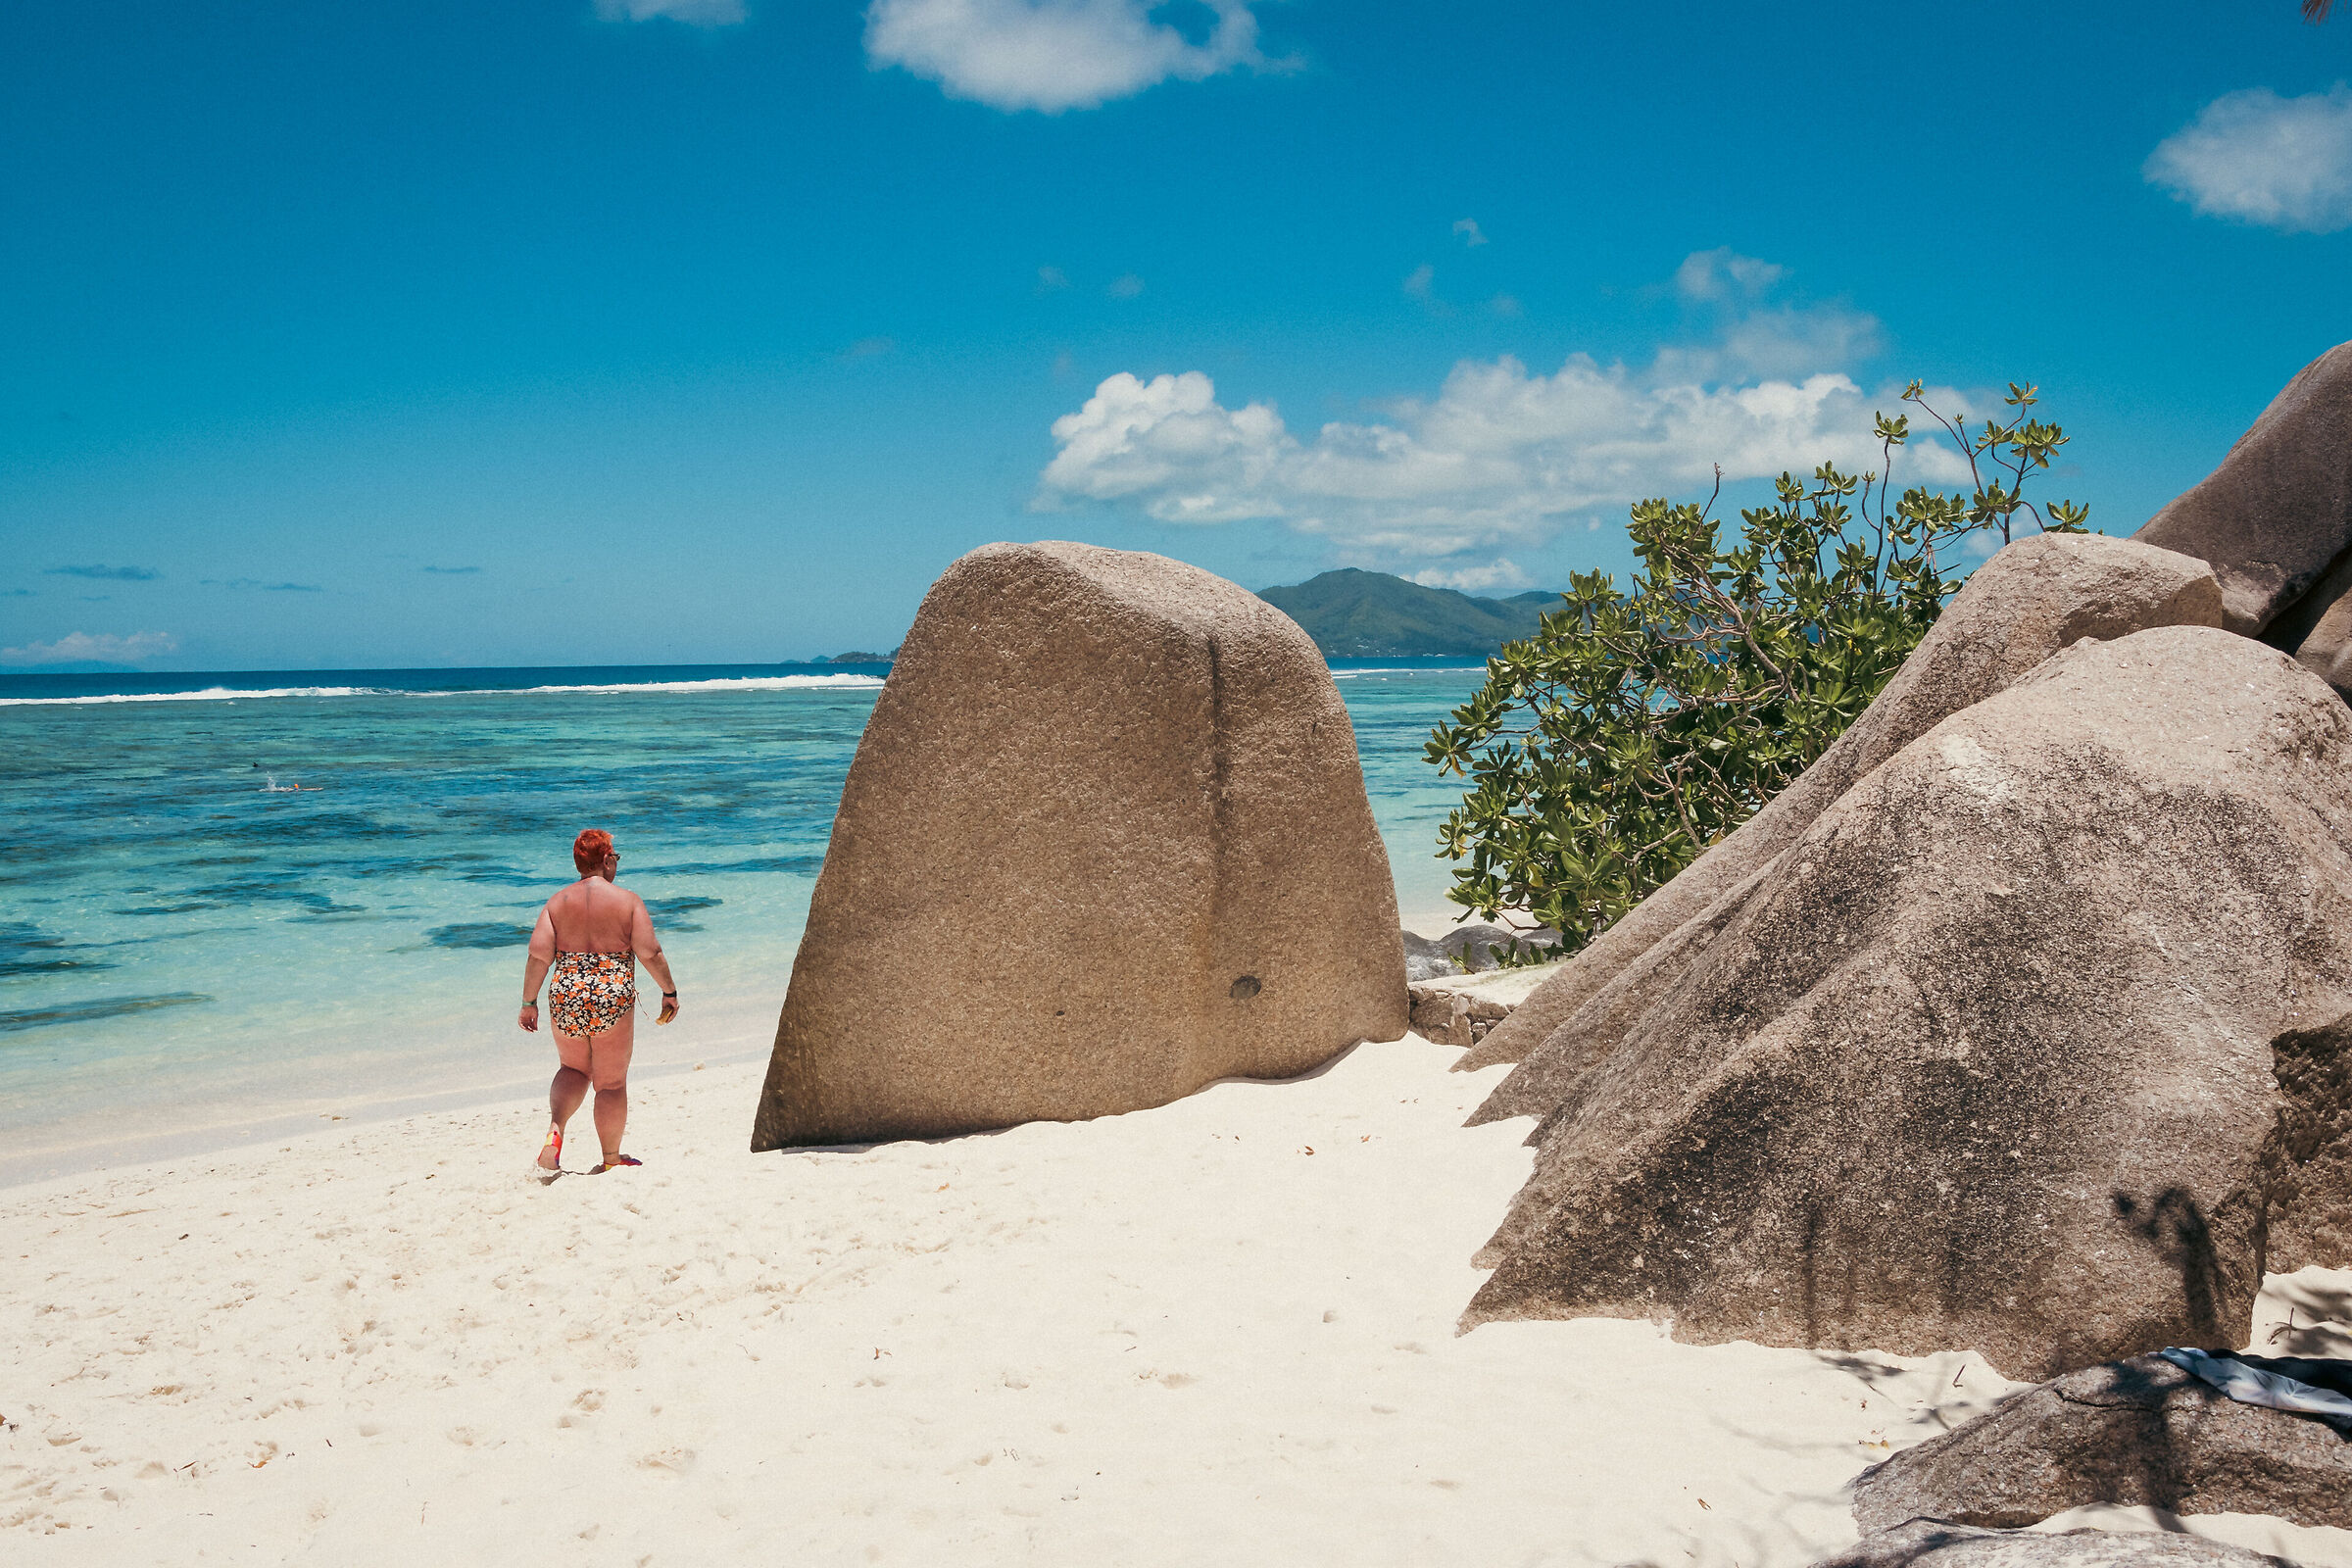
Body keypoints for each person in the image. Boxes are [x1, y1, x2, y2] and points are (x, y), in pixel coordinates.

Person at [517, 828, 679, 1174]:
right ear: (606, 860)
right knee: (610, 1082)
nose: (615, 863)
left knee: (573, 1069)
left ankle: (555, 1133)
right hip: (611, 996)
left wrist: (528, 1001)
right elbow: (650, 952)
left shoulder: (557, 903)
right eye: (615, 858)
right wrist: (669, 991)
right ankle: (610, 1159)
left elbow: (538, 956)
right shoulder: (627, 901)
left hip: (566, 995)